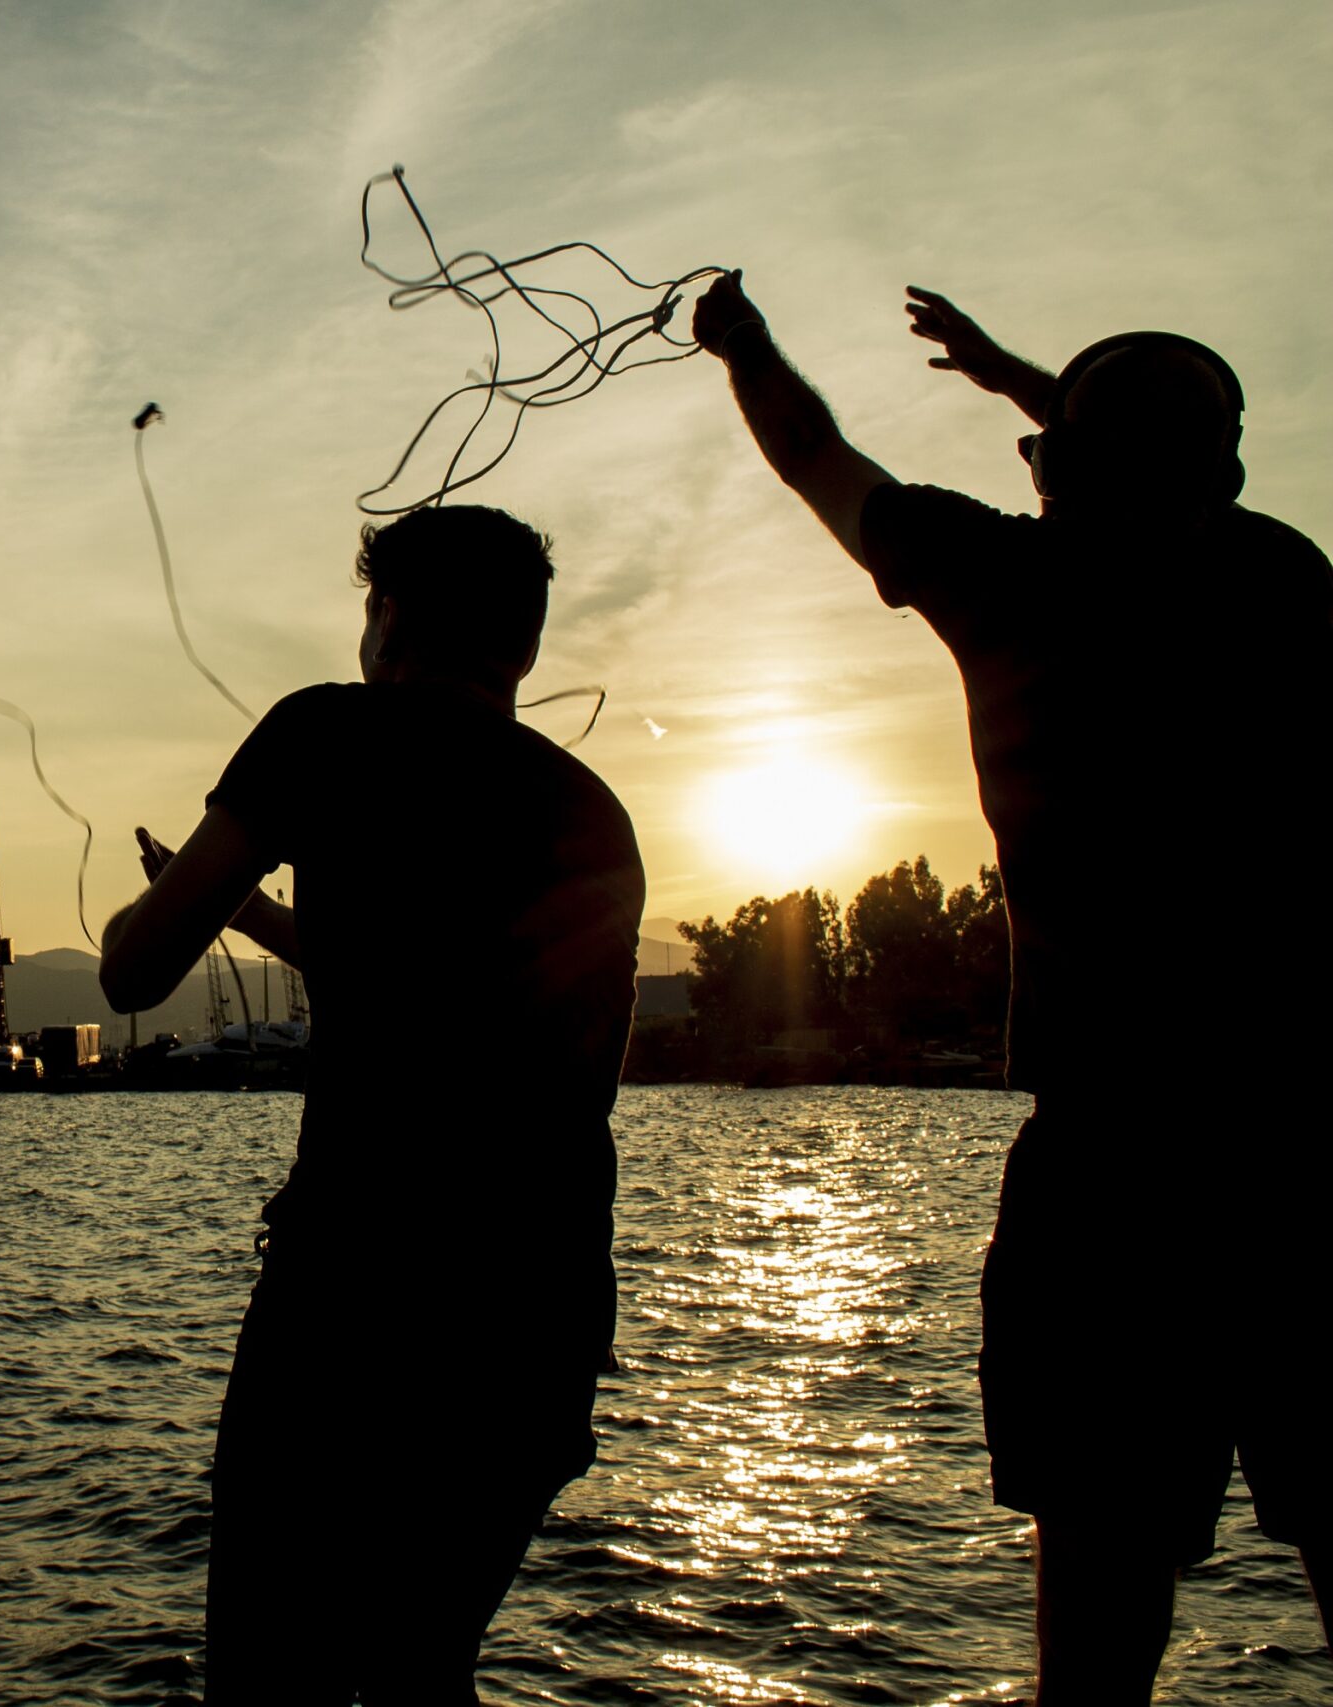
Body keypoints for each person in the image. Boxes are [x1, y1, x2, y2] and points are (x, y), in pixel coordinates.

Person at [693, 274, 1330, 1698]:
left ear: (1065, 469)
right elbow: (1174, 484)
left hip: (1119, 1162)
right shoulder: (1287, 580)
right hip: (1317, 1152)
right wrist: (1022, 386)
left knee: (1101, 1584)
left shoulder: (1016, 580)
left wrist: (747, 344)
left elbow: (816, 455)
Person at [99, 505, 644, 1704]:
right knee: (421, 1671)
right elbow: (454, 995)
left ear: (387, 617)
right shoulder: (592, 811)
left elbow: (134, 978)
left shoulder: (320, 731)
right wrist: (256, 920)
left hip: (359, 1292)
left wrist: (142, 921)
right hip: (537, 1308)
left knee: (266, 1674)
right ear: (526, 646)